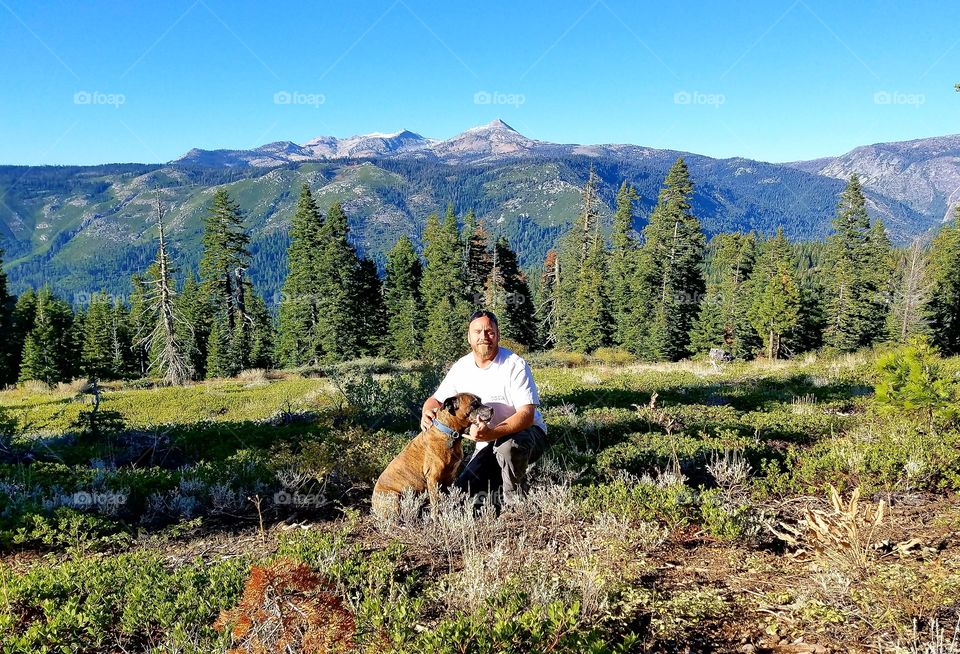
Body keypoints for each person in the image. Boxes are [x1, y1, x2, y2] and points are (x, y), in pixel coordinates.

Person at [419, 310, 547, 502]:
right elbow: (436, 400)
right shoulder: (461, 368)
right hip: (487, 442)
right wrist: (426, 411)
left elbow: (527, 415)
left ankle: (516, 503)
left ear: (498, 335)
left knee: (508, 447)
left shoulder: (515, 365)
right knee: (464, 494)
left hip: (528, 435)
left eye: (489, 332)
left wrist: (492, 433)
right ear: (469, 337)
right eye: (477, 332)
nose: (483, 337)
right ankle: (497, 484)